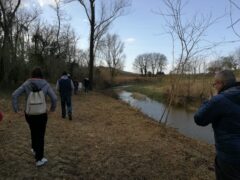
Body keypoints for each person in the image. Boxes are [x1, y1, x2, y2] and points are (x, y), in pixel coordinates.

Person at [194, 70, 240, 180]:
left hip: (230, 156)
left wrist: (209, 101)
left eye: (215, 84)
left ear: (221, 83)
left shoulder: (219, 100)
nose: (214, 87)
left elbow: (199, 119)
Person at [12, 67, 57, 167]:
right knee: (40, 135)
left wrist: (17, 110)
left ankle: (34, 148)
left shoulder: (27, 83)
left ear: (32, 75)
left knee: (33, 130)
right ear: (41, 75)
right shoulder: (45, 84)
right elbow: (54, 98)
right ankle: (39, 159)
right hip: (42, 114)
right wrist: (52, 109)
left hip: (29, 114)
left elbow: (14, 95)